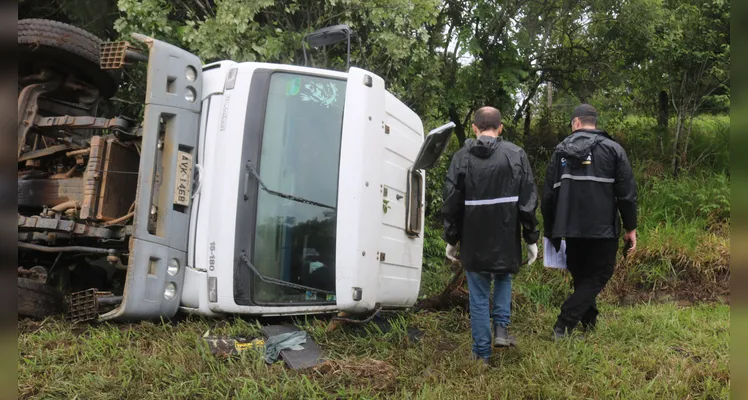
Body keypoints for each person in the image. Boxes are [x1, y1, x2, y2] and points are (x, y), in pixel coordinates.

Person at [442, 106, 539, 365]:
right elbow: (528, 201)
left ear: (474, 128)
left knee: (479, 295)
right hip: (506, 235)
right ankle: (501, 330)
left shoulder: (461, 158)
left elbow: (451, 203)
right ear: (501, 127)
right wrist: (531, 238)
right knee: (504, 277)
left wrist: (451, 239)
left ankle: (482, 355)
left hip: (473, 239)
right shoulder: (516, 154)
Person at [541, 104, 637, 340]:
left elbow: (549, 195)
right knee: (600, 274)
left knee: (583, 275)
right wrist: (630, 227)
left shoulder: (560, 152)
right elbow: (626, 194)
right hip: (602, 228)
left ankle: (589, 323)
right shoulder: (614, 149)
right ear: (594, 122)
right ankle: (564, 323)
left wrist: (551, 229)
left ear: (575, 123)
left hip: (569, 227)